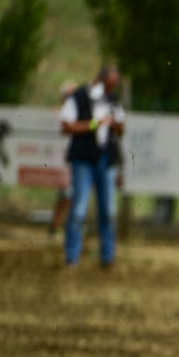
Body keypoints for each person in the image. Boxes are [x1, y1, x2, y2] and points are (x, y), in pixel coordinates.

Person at [59, 66, 125, 267]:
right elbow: (66, 125)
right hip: (83, 160)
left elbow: (121, 128)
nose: (111, 89)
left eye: (114, 86)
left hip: (107, 159)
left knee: (109, 210)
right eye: (109, 85)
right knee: (79, 209)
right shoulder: (78, 96)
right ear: (100, 79)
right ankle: (72, 257)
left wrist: (116, 125)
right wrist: (96, 124)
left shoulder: (113, 100)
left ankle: (108, 257)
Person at [49, 80, 78, 239]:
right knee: (66, 194)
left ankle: (61, 225)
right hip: (62, 159)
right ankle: (57, 225)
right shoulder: (60, 113)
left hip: (71, 159)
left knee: (69, 195)